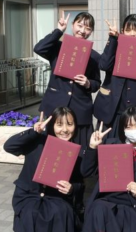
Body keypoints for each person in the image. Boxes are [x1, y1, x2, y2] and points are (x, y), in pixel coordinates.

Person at [3, 107, 85, 232]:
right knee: (30, 213)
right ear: (52, 125)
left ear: (75, 126)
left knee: (62, 213)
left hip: (56, 197)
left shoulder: (76, 151)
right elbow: (9, 146)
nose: (65, 130)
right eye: (59, 124)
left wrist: (71, 188)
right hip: (29, 193)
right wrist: (33, 132)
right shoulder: (37, 141)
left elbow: (80, 183)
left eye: (70, 124)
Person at [34, 11, 101, 152]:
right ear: (72, 25)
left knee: (79, 148)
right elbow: (38, 48)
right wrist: (59, 30)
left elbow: (96, 83)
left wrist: (88, 83)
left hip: (80, 109)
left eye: (88, 28)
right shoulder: (57, 47)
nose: (83, 31)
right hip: (55, 104)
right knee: (52, 149)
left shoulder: (94, 56)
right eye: (80, 25)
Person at [93, 14, 136, 139]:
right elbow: (103, 65)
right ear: (122, 31)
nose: (132, 34)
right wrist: (112, 38)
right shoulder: (114, 50)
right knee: (104, 148)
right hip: (108, 110)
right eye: (128, 30)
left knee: (127, 151)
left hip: (131, 114)